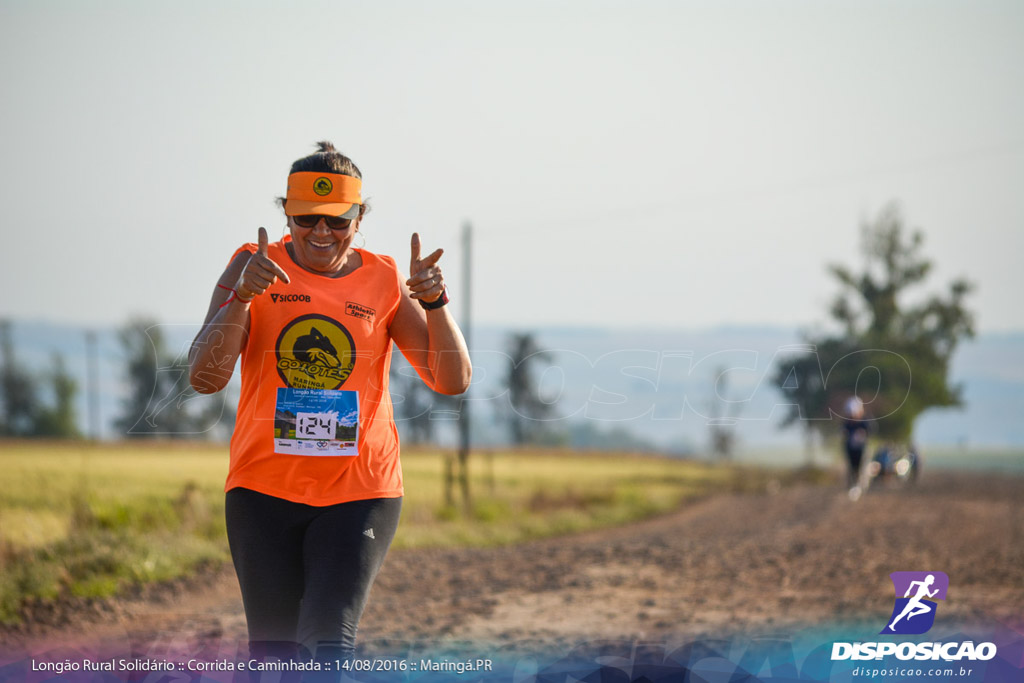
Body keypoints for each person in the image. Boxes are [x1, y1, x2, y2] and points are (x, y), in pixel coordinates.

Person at [188, 141, 472, 663]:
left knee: (327, 640)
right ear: (287, 215)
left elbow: (452, 380)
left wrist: (434, 302)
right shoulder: (251, 266)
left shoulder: (384, 278)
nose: (322, 232)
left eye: (338, 221)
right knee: (272, 654)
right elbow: (205, 378)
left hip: (359, 490)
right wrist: (241, 298)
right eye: (307, 219)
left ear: (359, 217)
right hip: (261, 489)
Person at [840, 396, 870, 500]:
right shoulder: (847, 423)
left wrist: (863, 434)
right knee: (852, 468)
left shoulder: (864, 422)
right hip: (850, 450)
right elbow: (843, 432)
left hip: (862, 450)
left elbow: (870, 430)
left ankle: (860, 487)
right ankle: (853, 486)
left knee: (861, 468)